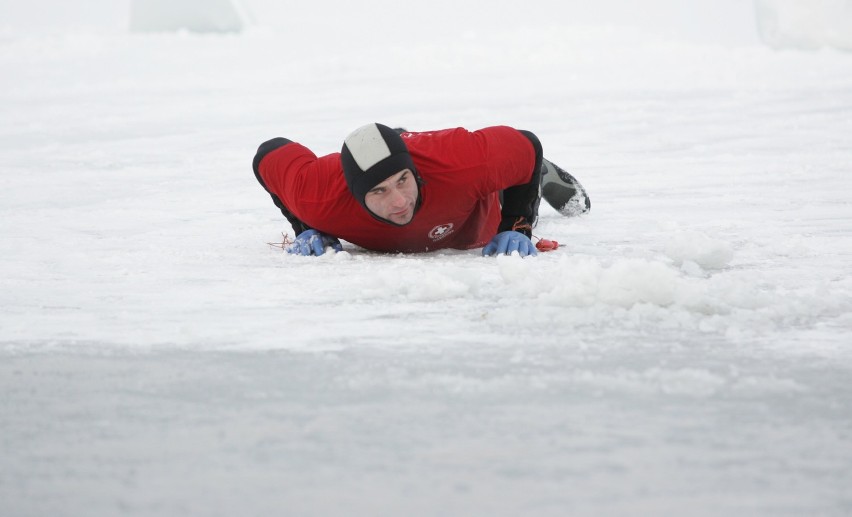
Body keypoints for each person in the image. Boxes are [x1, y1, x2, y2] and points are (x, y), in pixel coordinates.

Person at [252, 123, 589, 257]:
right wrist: (306, 226)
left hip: (470, 203)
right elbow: (270, 153)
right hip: (439, 175)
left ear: (413, 172)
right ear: (356, 195)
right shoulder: (317, 195)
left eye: (402, 181)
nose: (399, 202)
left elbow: (524, 145)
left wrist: (518, 225)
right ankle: (401, 141)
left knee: (494, 180)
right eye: (380, 192)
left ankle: (524, 180)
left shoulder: (462, 163)